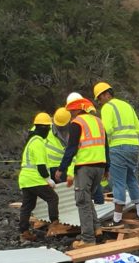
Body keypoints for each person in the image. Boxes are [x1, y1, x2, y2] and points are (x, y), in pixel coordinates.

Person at [56, 93, 108, 249]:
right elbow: (107, 146)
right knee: (88, 198)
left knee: (82, 201)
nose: (71, 114)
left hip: (85, 166)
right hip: (100, 166)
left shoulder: (77, 123)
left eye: (71, 111)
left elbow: (71, 148)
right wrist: (108, 168)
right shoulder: (98, 121)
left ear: (77, 110)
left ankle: (87, 239)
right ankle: (96, 228)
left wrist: (62, 168)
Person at [94, 82, 139, 226]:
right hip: (134, 147)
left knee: (118, 183)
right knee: (132, 179)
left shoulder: (107, 108)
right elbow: (138, 129)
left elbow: (108, 130)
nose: (99, 101)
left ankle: (117, 219)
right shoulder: (127, 106)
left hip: (117, 147)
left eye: (99, 98)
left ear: (106, 94)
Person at [18, 113, 61, 242]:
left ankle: (24, 232)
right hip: (34, 179)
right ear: (44, 128)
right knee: (52, 198)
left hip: (25, 179)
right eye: (48, 128)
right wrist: (48, 179)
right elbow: (41, 166)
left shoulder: (31, 141)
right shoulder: (38, 143)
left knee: (27, 206)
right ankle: (54, 225)